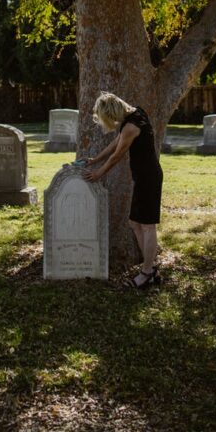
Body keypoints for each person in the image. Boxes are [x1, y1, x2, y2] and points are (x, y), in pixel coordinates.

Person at [83, 91, 163, 288]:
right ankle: (150, 268)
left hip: (149, 178)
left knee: (147, 225)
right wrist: (95, 160)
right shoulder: (135, 113)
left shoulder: (131, 126)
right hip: (143, 177)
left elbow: (117, 155)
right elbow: (114, 143)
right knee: (135, 223)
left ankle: (146, 273)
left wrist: (98, 173)